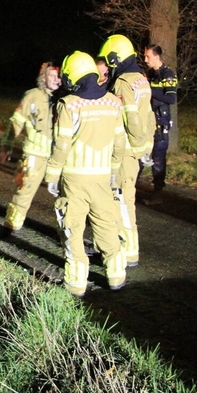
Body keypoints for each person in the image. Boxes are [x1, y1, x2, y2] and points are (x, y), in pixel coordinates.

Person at [44, 51, 127, 295]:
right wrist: (113, 169)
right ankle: (116, 275)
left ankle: (77, 283)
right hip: (103, 178)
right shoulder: (114, 102)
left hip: (74, 180)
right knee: (106, 225)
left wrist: (51, 175)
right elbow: (119, 142)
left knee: (72, 228)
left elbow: (61, 144)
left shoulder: (69, 104)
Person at [97, 34, 154, 268]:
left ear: (114, 58)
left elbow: (128, 116)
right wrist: (145, 147)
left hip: (124, 152)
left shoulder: (123, 82)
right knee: (125, 198)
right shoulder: (141, 78)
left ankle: (127, 249)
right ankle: (125, 247)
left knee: (120, 199)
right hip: (135, 151)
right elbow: (148, 115)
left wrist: (135, 147)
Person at [0, 61, 61, 234]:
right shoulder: (32, 96)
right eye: (52, 75)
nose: (56, 79)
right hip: (35, 155)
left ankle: (65, 233)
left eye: (59, 76)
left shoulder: (66, 99)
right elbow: (16, 122)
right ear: (43, 77)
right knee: (23, 191)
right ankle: (11, 227)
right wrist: (6, 146)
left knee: (68, 197)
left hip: (59, 157)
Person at [142, 44, 178, 191]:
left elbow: (171, 99)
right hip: (147, 120)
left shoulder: (168, 74)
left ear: (157, 57)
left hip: (160, 121)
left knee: (158, 159)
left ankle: (158, 192)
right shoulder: (150, 74)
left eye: (148, 56)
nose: (145, 60)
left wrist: (149, 90)